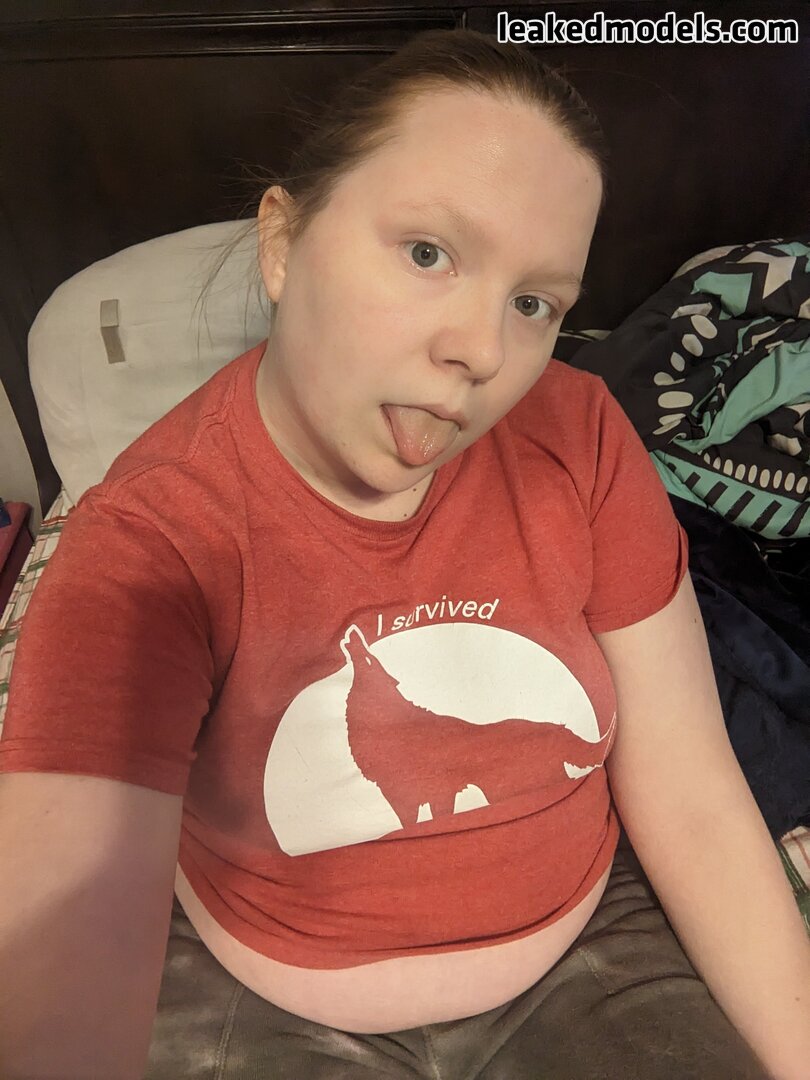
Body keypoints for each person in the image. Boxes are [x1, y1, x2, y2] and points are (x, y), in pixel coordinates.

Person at [0, 27, 808, 1080]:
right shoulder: (151, 536)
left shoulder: (583, 435)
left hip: (590, 948)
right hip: (256, 996)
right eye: (428, 253)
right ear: (283, 243)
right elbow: (65, 956)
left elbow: (692, 788)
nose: (483, 350)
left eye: (534, 304)